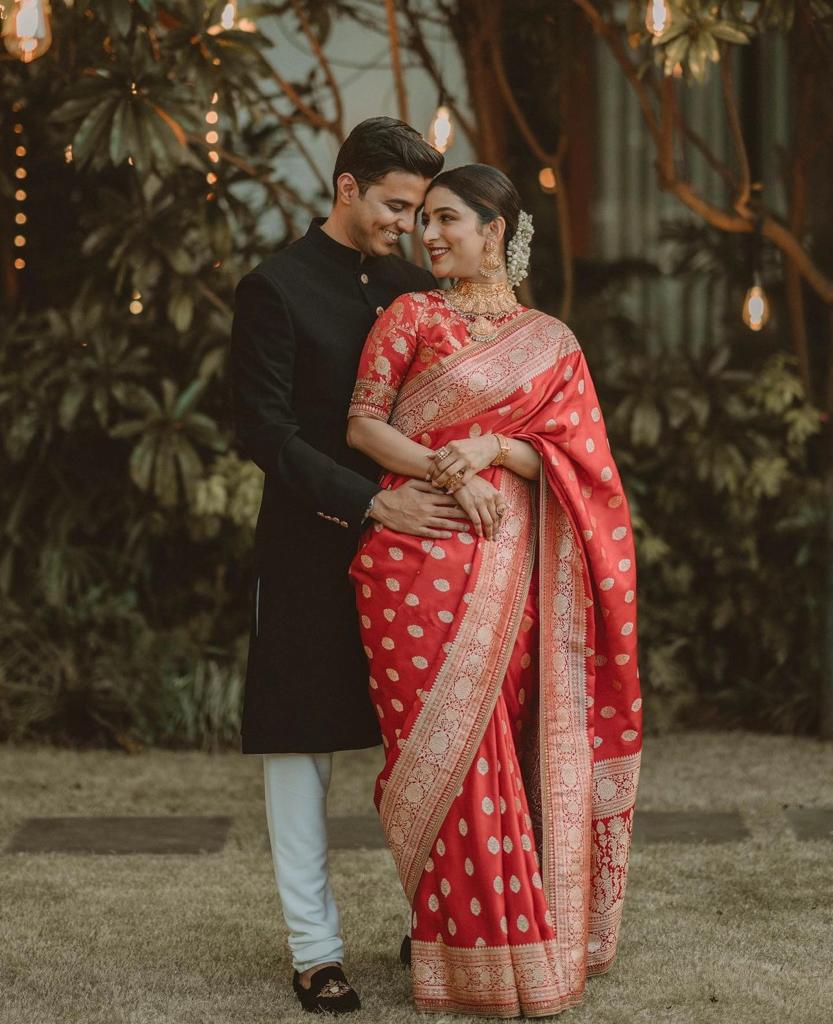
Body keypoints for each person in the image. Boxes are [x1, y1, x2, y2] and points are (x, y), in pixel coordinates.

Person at [346, 164, 642, 1018]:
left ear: (497, 229)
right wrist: (449, 463)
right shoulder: (409, 316)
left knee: (494, 750)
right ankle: (465, 956)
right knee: (434, 758)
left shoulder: (551, 344)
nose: (428, 235)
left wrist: (492, 453)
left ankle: (499, 955)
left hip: (510, 567)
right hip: (411, 560)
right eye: (424, 220)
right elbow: (363, 424)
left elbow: (586, 467)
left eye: (447, 220)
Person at [230, 117, 471, 1015]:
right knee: (301, 750)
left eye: (417, 211)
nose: (407, 227)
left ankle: (436, 922)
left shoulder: (417, 288)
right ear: (346, 189)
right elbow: (263, 430)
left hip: (418, 559)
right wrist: (371, 501)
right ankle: (315, 951)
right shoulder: (275, 288)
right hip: (307, 550)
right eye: (394, 206)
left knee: (431, 743)